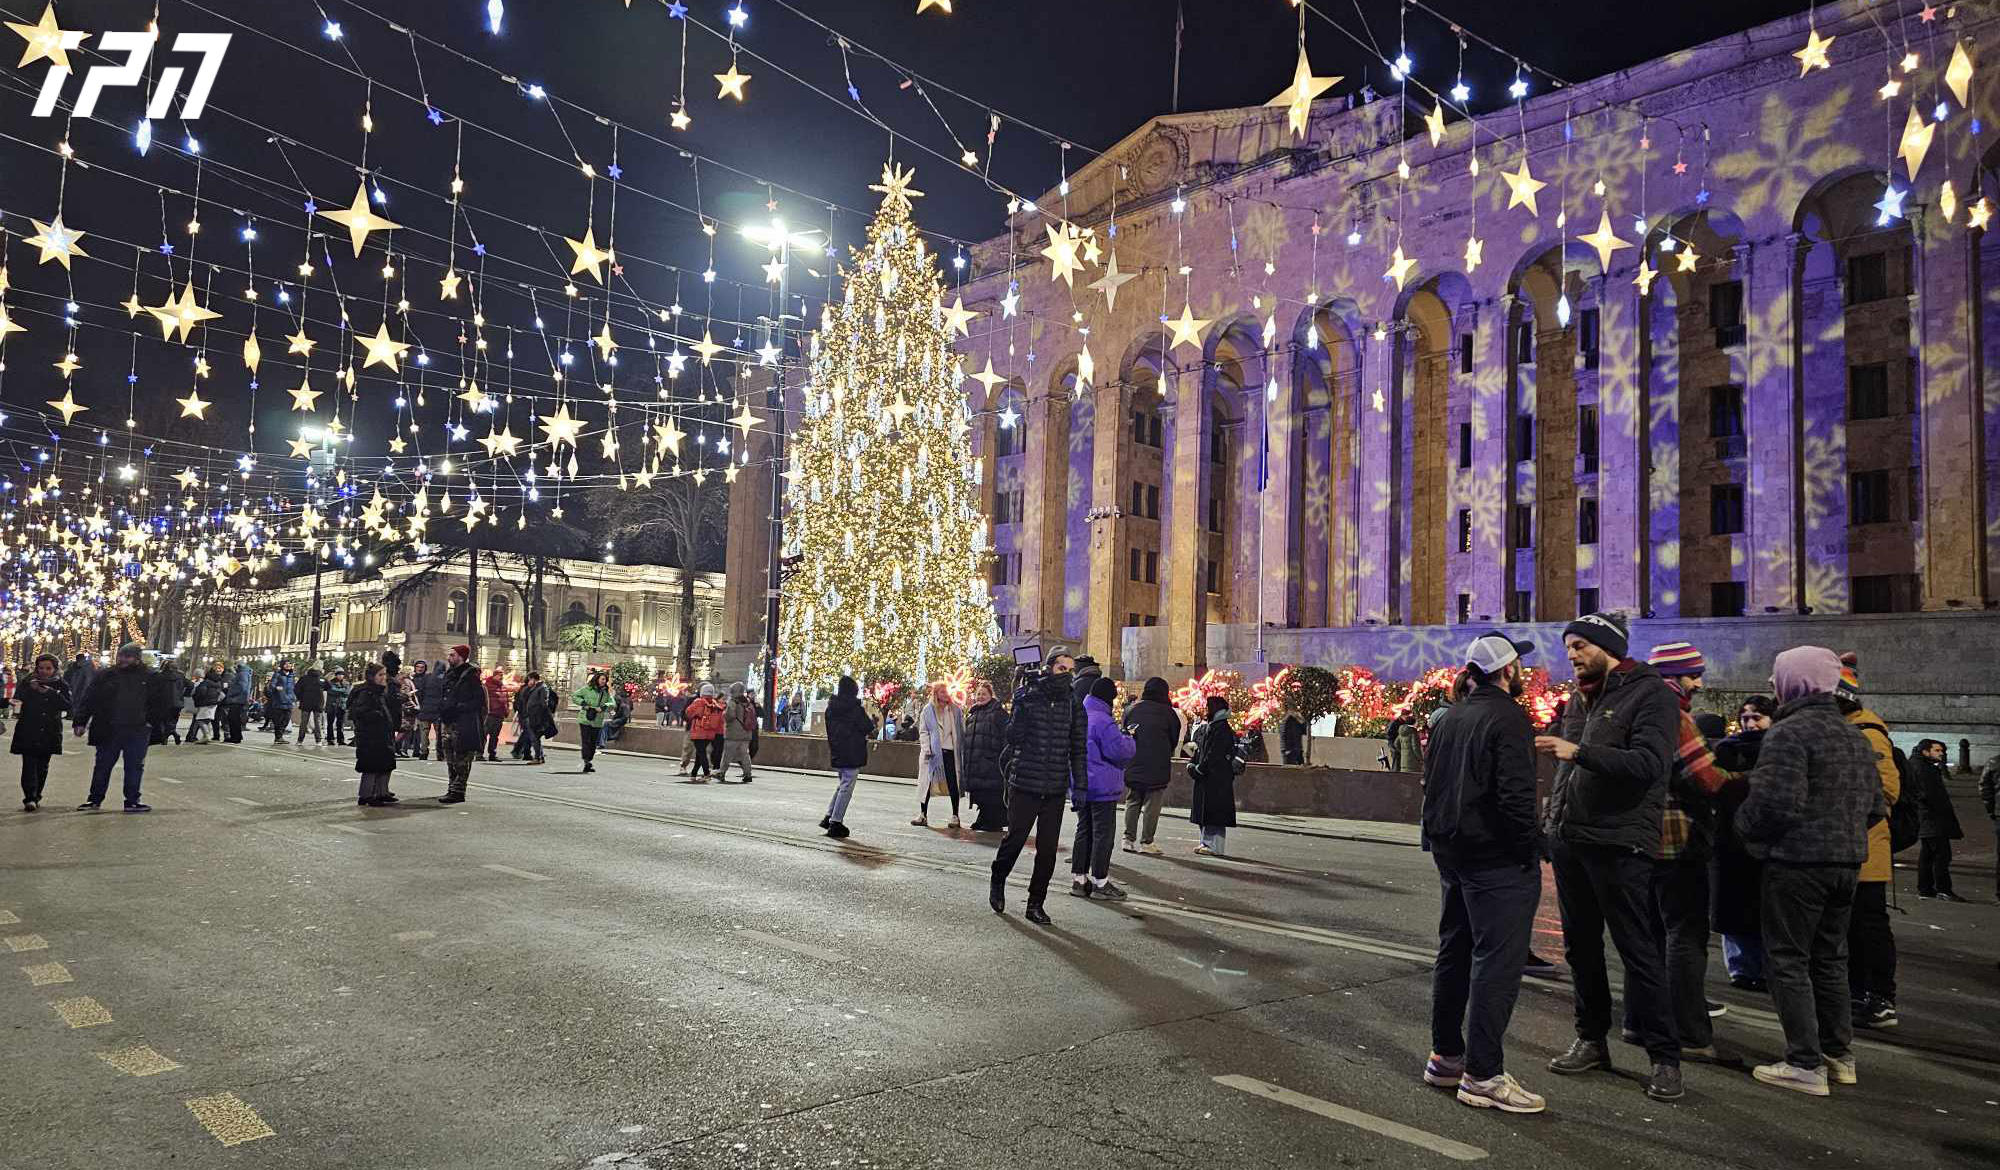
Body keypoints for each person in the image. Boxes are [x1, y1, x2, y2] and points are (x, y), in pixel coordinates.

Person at [1534, 611, 1684, 1102]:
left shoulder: (1651, 695)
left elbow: (1649, 764)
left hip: (1620, 844)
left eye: (1580, 646)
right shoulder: (1579, 699)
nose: (1572, 655)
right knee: (1581, 949)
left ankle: (1664, 1057)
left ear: (1608, 646)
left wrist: (1578, 753)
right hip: (1571, 840)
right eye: (1569, 647)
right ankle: (1592, 1039)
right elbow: (1562, 765)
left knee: (1638, 951)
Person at [1735, 646, 1882, 1096]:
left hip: (1797, 863)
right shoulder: (1854, 735)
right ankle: (1839, 1056)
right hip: (1846, 862)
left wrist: (1746, 831)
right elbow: (1876, 806)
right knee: (1831, 959)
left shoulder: (1788, 734)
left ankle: (1804, 1062)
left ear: (1791, 683)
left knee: (1788, 960)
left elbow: (1774, 803)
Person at [1420, 631, 1547, 1114]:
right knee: (1497, 961)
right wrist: (1532, 846)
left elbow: (1432, 785)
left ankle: (1446, 1057)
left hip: (1453, 853)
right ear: (1508, 671)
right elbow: (1515, 797)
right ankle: (1484, 1075)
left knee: (1454, 950)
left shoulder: (1453, 715)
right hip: (1495, 859)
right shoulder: (1508, 716)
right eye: (1520, 666)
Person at [1639, 641, 1734, 1060]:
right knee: (1685, 936)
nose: (1698, 682)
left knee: (1651, 935)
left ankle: (1641, 1022)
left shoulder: (1632, 712)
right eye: (1692, 674)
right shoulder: (1675, 719)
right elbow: (1707, 779)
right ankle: (1691, 1032)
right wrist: (1750, 778)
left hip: (1638, 840)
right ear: (1672, 678)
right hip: (1677, 841)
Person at [1834, 658, 1904, 1025]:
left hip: (1865, 850)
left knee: (1869, 926)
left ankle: (1880, 998)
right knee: (1851, 928)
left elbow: (1887, 789)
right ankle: (1860, 992)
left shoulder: (1867, 731)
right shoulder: (1849, 727)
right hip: (1849, 848)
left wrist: (1841, 814)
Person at [991, 654, 1086, 925]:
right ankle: (998, 879)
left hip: (1054, 788)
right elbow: (1012, 737)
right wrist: (1019, 704)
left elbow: (1079, 748)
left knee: (1047, 850)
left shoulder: (1073, 704)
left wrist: (1080, 786)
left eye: (1070, 669)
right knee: (1015, 840)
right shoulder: (1031, 696)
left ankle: (1036, 904)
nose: (1066, 673)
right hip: (1026, 783)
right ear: (1049, 668)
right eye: (1061, 667)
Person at [1712, 696, 1775, 991]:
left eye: (1758, 717)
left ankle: (1764, 967)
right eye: (1746, 717)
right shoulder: (1726, 749)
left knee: (1762, 906)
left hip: (1765, 842)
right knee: (1733, 906)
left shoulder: (1779, 749)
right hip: (1730, 840)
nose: (1751, 723)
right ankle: (1741, 967)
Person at [73, 642, 171, 812]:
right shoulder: (106, 675)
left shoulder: (150, 677)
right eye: (120, 656)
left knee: (134, 766)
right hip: (109, 728)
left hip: (137, 729)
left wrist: (150, 722)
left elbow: (160, 703)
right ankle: (94, 799)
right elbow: (90, 698)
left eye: (127, 656)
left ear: (137, 659)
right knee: (103, 766)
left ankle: (132, 800)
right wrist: (80, 721)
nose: (122, 659)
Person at [1071, 676, 1136, 901]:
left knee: (1084, 830)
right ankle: (1100, 882)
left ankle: (1079, 880)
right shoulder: (1103, 721)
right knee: (1103, 834)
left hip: (1081, 784)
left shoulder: (1079, 715)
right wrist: (1130, 738)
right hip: (1102, 786)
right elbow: (1119, 752)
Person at [1120, 676, 1181, 855]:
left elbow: (1124, 732)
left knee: (1132, 800)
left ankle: (1128, 839)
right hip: (1158, 764)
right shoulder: (1169, 713)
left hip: (1134, 761)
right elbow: (1174, 740)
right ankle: (1147, 842)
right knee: (1152, 804)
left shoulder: (1131, 709)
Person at [1908, 738, 1964, 901]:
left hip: (1926, 817)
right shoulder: (1924, 769)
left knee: (1928, 854)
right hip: (1932, 817)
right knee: (1941, 855)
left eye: (1942, 751)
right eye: (1937, 750)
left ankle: (1925, 889)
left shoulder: (1918, 765)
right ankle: (1943, 889)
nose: (1942, 754)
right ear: (1925, 751)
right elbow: (1930, 795)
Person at [12, 654, 70, 811]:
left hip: (49, 730)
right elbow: (17, 699)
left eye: (48, 668)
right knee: (29, 765)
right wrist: (18, 703)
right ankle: (29, 798)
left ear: (55, 669)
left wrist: (50, 693)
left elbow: (67, 706)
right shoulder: (27, 683)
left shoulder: (60, 684)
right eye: (41, 668)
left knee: (43, 766)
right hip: (29, 729)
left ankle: (37, 795)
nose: (44, 671)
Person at [821, 675, 875, 838]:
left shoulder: (831, 707)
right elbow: (867, 726)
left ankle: (830, 816)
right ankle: (835, 822)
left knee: (842, 784)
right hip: (852, 750)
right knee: (847, 786)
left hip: (838, 749)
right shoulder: (854, 708)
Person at [1189, 696, 1240, 857]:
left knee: (1213, 812)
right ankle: (1207, 842)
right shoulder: (1216, 726)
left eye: (1208, 706)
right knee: (1210, 812)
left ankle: (1212, 845)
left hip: (1215, 778)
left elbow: (1213, 754)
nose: (1205, 709)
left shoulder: (1220, 728)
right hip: (1214, 778)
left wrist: (1199, 769)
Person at [960, 679, 1011, 831]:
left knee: (991, 795)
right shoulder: (973, 714)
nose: (980, 697)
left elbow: (1005, 737)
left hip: (990, 762)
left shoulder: (998, 713)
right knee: (980, 794)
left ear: (991, 695)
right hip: (975, 762)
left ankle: (992, 821)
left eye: (984, 694)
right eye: (978, 694)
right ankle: (983, 817)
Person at [436, 645, 484, 804]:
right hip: (448, 722)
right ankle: (452, 788)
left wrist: (459, 708)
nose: (449, 658)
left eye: (452, 655)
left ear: (461, 657)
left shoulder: (470, 677)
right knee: (450, 758)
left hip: (463, 724)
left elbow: (478, 701)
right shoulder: (450, 675)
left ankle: (458, 791)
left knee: (461, 759)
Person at [348, 663, 399, 807]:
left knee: (384, 764)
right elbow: (359, 713)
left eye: (384, 674)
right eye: (380, 675)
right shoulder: (366, 692)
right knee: (371, 766)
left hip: (382, 733)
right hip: (370, 735)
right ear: (372, 677)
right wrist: (376, 715)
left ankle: (381, 792)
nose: (384, 678)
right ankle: (367, 795)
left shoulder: (379, 691)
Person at [913, 682, 963, 826]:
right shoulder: (928, 710)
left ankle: (955, 815)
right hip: (933, 753)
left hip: (950, 752)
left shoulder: (955, 710)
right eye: (942, 692)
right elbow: (923, 731)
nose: (945, 694)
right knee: (926, 784)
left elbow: (960, 730)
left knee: (953, 783)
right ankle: (923, 814)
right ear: (936, 694)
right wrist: (927, 748)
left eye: (946, 692)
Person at [572, 671, 612, 775]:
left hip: (597, 720)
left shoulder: (605, 692)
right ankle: (587, 761)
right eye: (602, 679)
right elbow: (575, 696)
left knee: (593, 742)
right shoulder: (587, 689)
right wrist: (584, 704)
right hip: (585, 719)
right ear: (597, 679)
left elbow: (611, 702)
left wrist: (603, 707)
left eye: (605, 680)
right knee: (586, 741)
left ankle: (589, 760)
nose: (604, 681)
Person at [718, 682, 759, 784]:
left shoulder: (733, 702)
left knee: (727, 754)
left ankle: (722, 772)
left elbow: (730, 716)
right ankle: (748, 774)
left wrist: (724, 713)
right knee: (745, 755)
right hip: (746, 733)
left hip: (733, 733)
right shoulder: (748, 702)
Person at [683, 682, 724, 781]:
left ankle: (706, 774)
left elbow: (688, 712)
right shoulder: (714, 703)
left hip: (699, 731)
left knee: (701, 753)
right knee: (700, 753)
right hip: (711, 733)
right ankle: (694, 774)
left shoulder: (699, 702)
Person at [513, 672, 552, 765]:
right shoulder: (533, 688)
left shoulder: (542, 688)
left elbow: (543, 703)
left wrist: (540, 715)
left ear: (534, 679)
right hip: (530, 716)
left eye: (530, 679)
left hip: (536, 717)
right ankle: (539, 756)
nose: (529, 681)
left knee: (534, 737)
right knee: (534, 737)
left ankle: (537, 757)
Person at [410, 658, 443, 760]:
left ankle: (423, 752)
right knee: (439, 733)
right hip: (438, 710)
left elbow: (420, 692)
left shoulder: (427, 678)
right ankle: (440, 753)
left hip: (425, 709)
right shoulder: (443, 680)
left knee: (424, 732)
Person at [188, 667, 224, 744]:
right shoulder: (218, 682)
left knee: (199, 720)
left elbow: (201, 692)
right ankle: (205, 736)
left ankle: (207, 735)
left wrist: (197, 699)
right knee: (207, 720)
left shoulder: (206, 682)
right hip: (214, 704)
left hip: (205, 703)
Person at [155, 658, 187, 745]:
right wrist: (182, 694)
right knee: (173, 720)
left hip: (163, 702)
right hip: (178, 702)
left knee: (164, 720)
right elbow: (190, 685)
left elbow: (155, 689)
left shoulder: (160, 676)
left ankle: (166, 736)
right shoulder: (181, 676)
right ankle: (172, 734)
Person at [481, 669, 510, 762]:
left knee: (495, 736)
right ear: (494, 676)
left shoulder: (503, 687)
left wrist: (506, 711)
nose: (501, 677)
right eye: (499, 675)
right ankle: (479, 753)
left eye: (502, 675)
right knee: (484, 734)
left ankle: (492, 753)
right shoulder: (488, 686)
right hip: (490, 714)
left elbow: (506, 700)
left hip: (499, 715)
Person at [266, 661, 297, 744]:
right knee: (278, 720)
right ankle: (278, 737)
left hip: (289, 701)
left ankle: (280, 736)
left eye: (290, 664)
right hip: (279, 700)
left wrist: (294, 698)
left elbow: (294, 687)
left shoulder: (292, 676)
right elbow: (272, 685)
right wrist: (276, 688)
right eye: (286, 664)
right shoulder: (278, 674)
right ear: (282, 665)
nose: (288, 665)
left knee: (286, 720)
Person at [295, 665, 326, 746]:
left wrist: (301, 697)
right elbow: (329, 687)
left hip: (306, 703)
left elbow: (296, 689)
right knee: (318, 722)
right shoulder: (321, 679)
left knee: (304, 722)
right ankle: (318, 741)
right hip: (318, 703)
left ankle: (300, 740)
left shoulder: (303, 678)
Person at [221, 660, 251, 744]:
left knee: (233, 718)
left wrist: (231, 692)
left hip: (237, 699)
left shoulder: (242, 673)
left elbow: (242, 686)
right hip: (239, 698)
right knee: (234, 718)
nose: (234, 667)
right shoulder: (243, 673)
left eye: (235, 665)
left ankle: (235, 737)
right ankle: (237, 736)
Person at [325, 669, 350, 747]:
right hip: (332, 705)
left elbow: (347, 692)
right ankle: (330, 739)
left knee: (340, 723)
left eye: (342, 674)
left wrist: (340, 691)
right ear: (336, 675)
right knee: (330, 723)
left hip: (341, 705)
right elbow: (332, 691)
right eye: (339, 674)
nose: (340, 676)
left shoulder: (346, 683)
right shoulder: (330, 683)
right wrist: (342, 691)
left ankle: (340, 739)